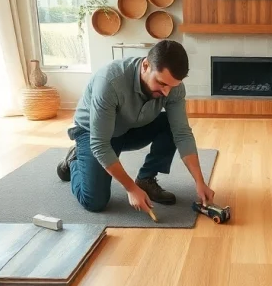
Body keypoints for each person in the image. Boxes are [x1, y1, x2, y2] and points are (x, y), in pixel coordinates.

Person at [57, 40, 215, 214]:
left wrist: (200, 182)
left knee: (171, 124)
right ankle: (75, 161)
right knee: (94, 202)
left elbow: (182, 133)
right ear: (146, 65)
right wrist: (130, 188)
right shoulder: (110, 81)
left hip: (129, 127)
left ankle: (145, 180)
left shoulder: (172, 87)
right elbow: (100, 144)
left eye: (172, 86)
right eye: (162, 83)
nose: (166, 92)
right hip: (92, 133)